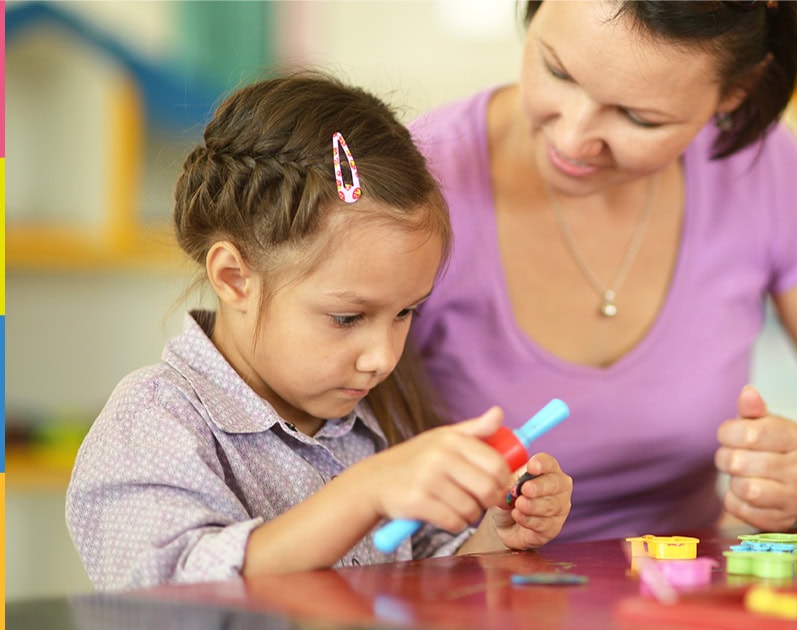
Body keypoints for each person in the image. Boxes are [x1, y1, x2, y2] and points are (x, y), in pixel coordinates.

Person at [407, 0, 797, 543]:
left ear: (734, 94)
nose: (574, 137)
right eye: (557, 70)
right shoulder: (413, 189)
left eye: (639, 117)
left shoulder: (753, 167)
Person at [65, 74, 573, 591]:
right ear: (235, 278)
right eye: (348, 318)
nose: (381, 357)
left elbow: (428, 585)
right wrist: (364, 494)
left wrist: (496, 533)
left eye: (406, 314)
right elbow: (170, 594)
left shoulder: (367, 423)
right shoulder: (155, 421)